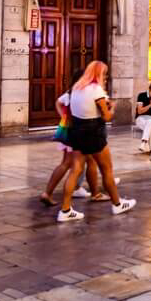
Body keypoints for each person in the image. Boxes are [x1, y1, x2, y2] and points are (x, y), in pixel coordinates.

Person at [57, 61, 135, 222]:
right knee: (107, 169)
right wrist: (112, 107)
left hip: (76, 130)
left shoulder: (76, 88)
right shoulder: (96, 90)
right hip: (93, 131)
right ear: (98, 74)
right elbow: (107, 116)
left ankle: (65, 209)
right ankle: (117, 203)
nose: (105, 77)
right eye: (104, 74)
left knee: (75, 170)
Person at [41, 68, 102, 207]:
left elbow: (58, 102)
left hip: (67, 129)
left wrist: (63, 117)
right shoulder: (82, 94)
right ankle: (92, 193)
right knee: (81, 162)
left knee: (70, 163)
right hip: (77, 131)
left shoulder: (71, 93)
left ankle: (50, 193)